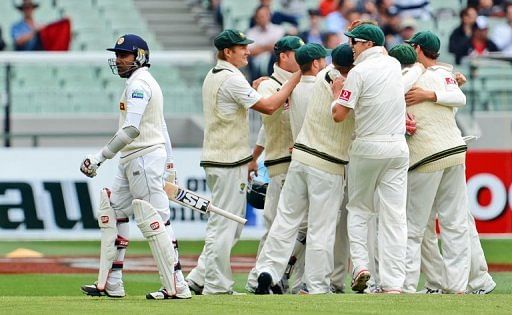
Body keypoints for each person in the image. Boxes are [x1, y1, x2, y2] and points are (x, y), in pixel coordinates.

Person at [186, 29, 301, 295]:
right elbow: (270, 107)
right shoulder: (231, 78)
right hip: (227, 160)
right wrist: (296, 78)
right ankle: (217, 286)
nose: (247, 51)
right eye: (242, 47)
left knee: (228, 224)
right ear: (228, 52)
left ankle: (199, 277)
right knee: (225, 226)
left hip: (221, 158)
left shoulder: (217, 75)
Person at [79, 34, 191, 300]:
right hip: (134, 158)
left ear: (139, 57)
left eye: (124, 55)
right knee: (113, 211)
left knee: (157, 220)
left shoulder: (139, 83)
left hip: (143, 156)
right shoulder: (138, 82)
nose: (118, 60)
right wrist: (171, 164)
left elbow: (131, 129)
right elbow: (161, 125)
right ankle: (112, 282)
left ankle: (177, 286)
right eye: (117, 55)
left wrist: (99, 157)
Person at [254, 43, 354, 295]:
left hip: (299, 158)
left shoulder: (294, 87)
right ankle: (317, 284)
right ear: (319, 63)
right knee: (321, 227)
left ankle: (266, 271)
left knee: (285, 221)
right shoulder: (333, 79)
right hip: (327, 163)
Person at [332, 23, 409, 293]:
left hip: (368, 146)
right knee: (395, 216)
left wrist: (335, 96)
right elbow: (384, 50)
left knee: (359, 210)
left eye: (354, 42)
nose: (350, 48)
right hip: (398, 147)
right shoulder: (394, 66)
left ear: (366, 45)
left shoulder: (359, 72)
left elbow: (339, 115)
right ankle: (393, 284)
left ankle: (362, 266)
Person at [401, 31, 471, 294]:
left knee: (414, 226)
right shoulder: (443, 73)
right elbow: (458, 96)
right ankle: (455, 286)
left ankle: (406, 286)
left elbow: (460, 99)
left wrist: (430, 96)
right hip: (454, 151)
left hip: (427, 156)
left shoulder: (411, 76)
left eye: (411, 47)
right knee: (454, 224)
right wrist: (437, 93)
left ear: (418, 48)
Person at [245, 35, 304, 293]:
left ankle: (281, 278)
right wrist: (255, 156)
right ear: (283, 56)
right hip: (281, 163)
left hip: (301, 162)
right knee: (275, 225)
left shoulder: (300, 82)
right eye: (297, 55)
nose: (303, 61)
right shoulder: (268, 85)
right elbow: (269, 118)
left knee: (303, 228)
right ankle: (257, 278)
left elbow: (263, 134)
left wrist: (254, 156)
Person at [247, 5, 286, 80]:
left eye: (265, 15)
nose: (263, 18)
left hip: (273, 63)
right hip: (255, 65)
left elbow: (279, 49)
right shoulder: (251, 32)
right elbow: (249, 51)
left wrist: (260, 47)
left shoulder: (279, 30)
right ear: (256, 18)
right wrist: (268, 47)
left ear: (269, 16)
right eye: (260, 16)